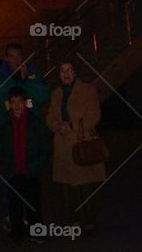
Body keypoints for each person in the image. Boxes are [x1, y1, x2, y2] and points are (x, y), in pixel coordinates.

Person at [0, 42, 49, 229]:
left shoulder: (33, 75)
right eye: (11, 56)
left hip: (30, 136)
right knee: (9, 177)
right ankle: (11, 216)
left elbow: (43, 97)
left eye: (19, 56)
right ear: (6, 58)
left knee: (31, 178)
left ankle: (31, 217)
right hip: (7, 136)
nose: (16, 60)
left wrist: (26, 80)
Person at [46, 60, 105, 233]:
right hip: (63, 144)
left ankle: (90, 220)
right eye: (63, 71)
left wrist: (72, 126)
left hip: (82, 143)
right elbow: (49, 116)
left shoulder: (88, 89)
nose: (66, 74)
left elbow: (94, 115)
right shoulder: (56, 93)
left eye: (69, 70)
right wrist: (57, 126)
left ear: (75, 72)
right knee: (68, 186)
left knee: (86, 185)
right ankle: (75, 219)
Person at [0, 87, 50, 243]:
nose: (17, 105)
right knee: (14, 204)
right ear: (9, 104)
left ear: (25, 102)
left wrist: (38, 165)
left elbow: (43, 145)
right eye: (13, 102)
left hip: (31, 170)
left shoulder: (34, 121)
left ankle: (36, 232)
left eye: (19, 101)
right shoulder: (5, 122)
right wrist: (6, 164)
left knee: (34, 203)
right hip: (13, 171)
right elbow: (1, 146)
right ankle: (17, 233)